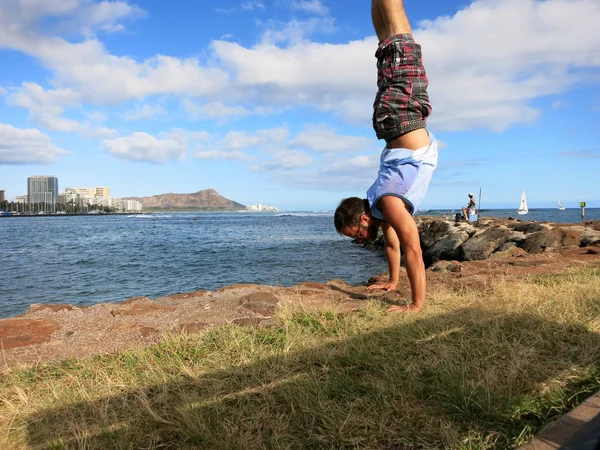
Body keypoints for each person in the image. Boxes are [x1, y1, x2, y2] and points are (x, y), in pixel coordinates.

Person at [334, 0, 438, 313]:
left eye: (359, 236)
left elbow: (414, 251)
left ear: (364, 218)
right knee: (387, 47)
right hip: (391, 122)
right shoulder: (380, 207)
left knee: (402, 43)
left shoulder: (389, 203)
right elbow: (393, 245)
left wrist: (415, 305)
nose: (362, 240)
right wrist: (393, 283)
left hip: (401, 116)